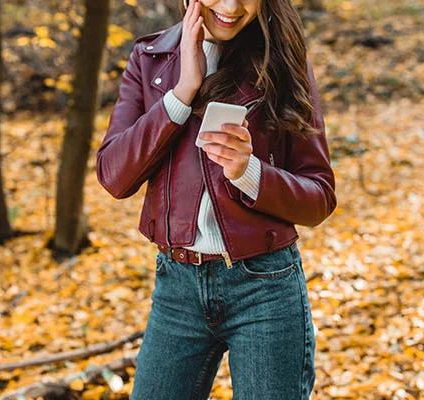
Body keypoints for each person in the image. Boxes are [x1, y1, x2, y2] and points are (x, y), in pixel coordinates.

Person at [96, 0, 337, 398]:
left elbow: (319, 196)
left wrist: (248, 171)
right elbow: (113, 176)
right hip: (176, 291)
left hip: (266, 288)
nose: (229, 6)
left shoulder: (280, 61)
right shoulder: (150, 58)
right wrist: (181, 92)